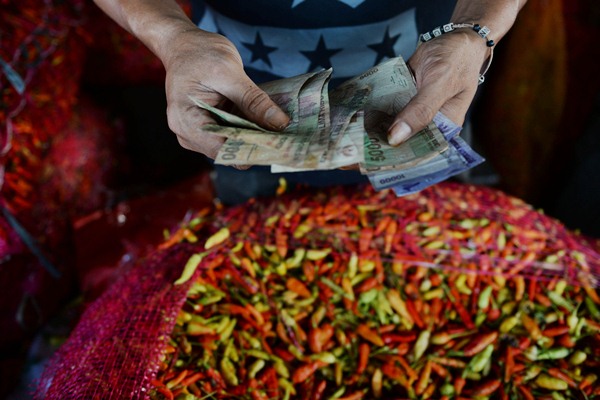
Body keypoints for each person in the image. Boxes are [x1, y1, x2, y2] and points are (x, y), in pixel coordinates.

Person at [92, 0, 527, 204]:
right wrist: (171, 36)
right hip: (235, 89)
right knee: (257, 225)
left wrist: (475, 30)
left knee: (420, 231)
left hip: (429, 80)